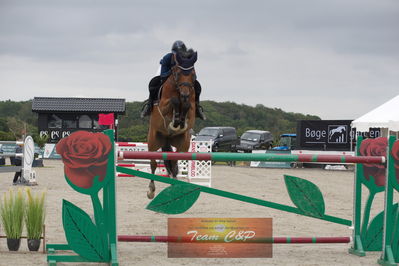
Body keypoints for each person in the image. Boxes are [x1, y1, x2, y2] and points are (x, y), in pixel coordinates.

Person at [140, 40, 206, 120]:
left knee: (197, 85)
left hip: (181, 78)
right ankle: (149, 105)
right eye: (175, 53)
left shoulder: (187, 59)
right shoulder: (167, 57)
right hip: (166, 73)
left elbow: (192, 74)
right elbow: (163, 74)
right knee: (153, 83)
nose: (176, 56)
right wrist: (173, 72)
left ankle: (197, 107)